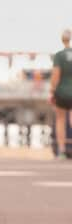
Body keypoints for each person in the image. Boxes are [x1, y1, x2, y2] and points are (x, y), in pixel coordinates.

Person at [51, 29, 72, 160]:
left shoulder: (59, 55)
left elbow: (55, 76)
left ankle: (62, 150)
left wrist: (52, 91)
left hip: (62, 92)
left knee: (60, 120)